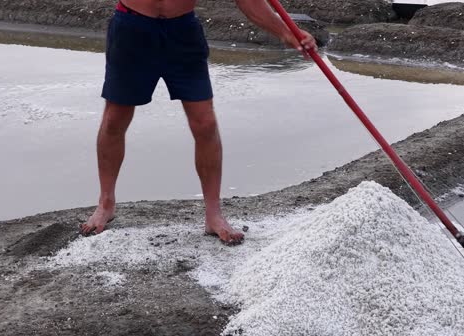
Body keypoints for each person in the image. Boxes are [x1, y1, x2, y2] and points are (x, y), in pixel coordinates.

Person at [80, 0, 317, 244]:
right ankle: (106, 202)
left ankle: (214, 214)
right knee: (114, 120)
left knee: (205, 123)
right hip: (132, 28)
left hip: (182, 32)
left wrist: (286, 32)